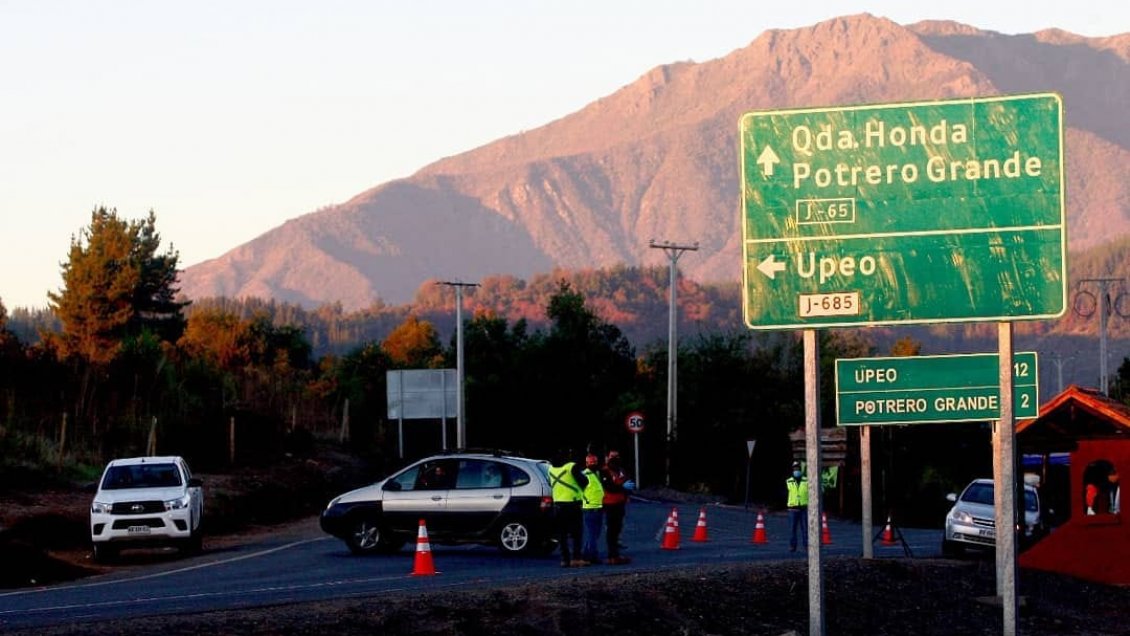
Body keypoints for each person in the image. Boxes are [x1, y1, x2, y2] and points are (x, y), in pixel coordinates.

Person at [548, 448, 588, 567]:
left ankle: (565, 559)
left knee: (562, 534)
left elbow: (551, 484)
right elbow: (584, 481)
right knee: (576, 533)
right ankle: (576, 558)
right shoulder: (571, 467)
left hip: (558, 505)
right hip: (572, 504)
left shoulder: (551, 469)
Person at [600, 449, 633, 564]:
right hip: (610, 504)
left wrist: (627, 492)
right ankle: (612, 555)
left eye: (616, 457)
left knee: (616, 530)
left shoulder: (620, 470)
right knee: (611, 531)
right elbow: (609, 487)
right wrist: (623, 487)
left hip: (620, 503)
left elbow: (627, 482)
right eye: (612, 457)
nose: (615, 459)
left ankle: (615, 554)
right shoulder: (605, 471)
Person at [580, 453, 605, 565]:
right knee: (592, 533)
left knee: (595, 533)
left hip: (598, 507)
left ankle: (586, 553)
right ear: (586, 463)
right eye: (591, 462)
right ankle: (592, 556)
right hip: (589, 508)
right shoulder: (584, 475)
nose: (593, 464)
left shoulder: (598, 473)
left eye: (594, 462)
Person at [786, 460, 809, 552]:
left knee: (805, 529)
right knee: (792, 529)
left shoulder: (806, 481)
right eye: (795, 468)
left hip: (803, 508)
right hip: (793, 509)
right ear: (792, 470)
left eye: (798, 468)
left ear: (800, 470)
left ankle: (806, 546)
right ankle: (792, 546)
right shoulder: (788, 481)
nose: (796, 470)